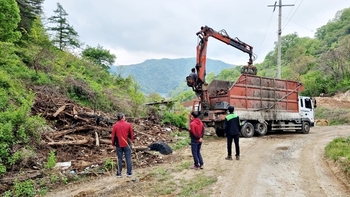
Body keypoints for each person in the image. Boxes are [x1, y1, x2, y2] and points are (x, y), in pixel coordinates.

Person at [111, 113, 135, 178]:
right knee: (128, 158)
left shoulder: (115, 126)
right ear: (123, 117)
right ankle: (129, 173)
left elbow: (113, 136)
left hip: (118, 144)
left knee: (119, 158)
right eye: (124, 116)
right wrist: (131, 141)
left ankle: (119, 173)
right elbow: (131, 134)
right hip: (127, 143)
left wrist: (113, 144)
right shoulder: (128, 124)